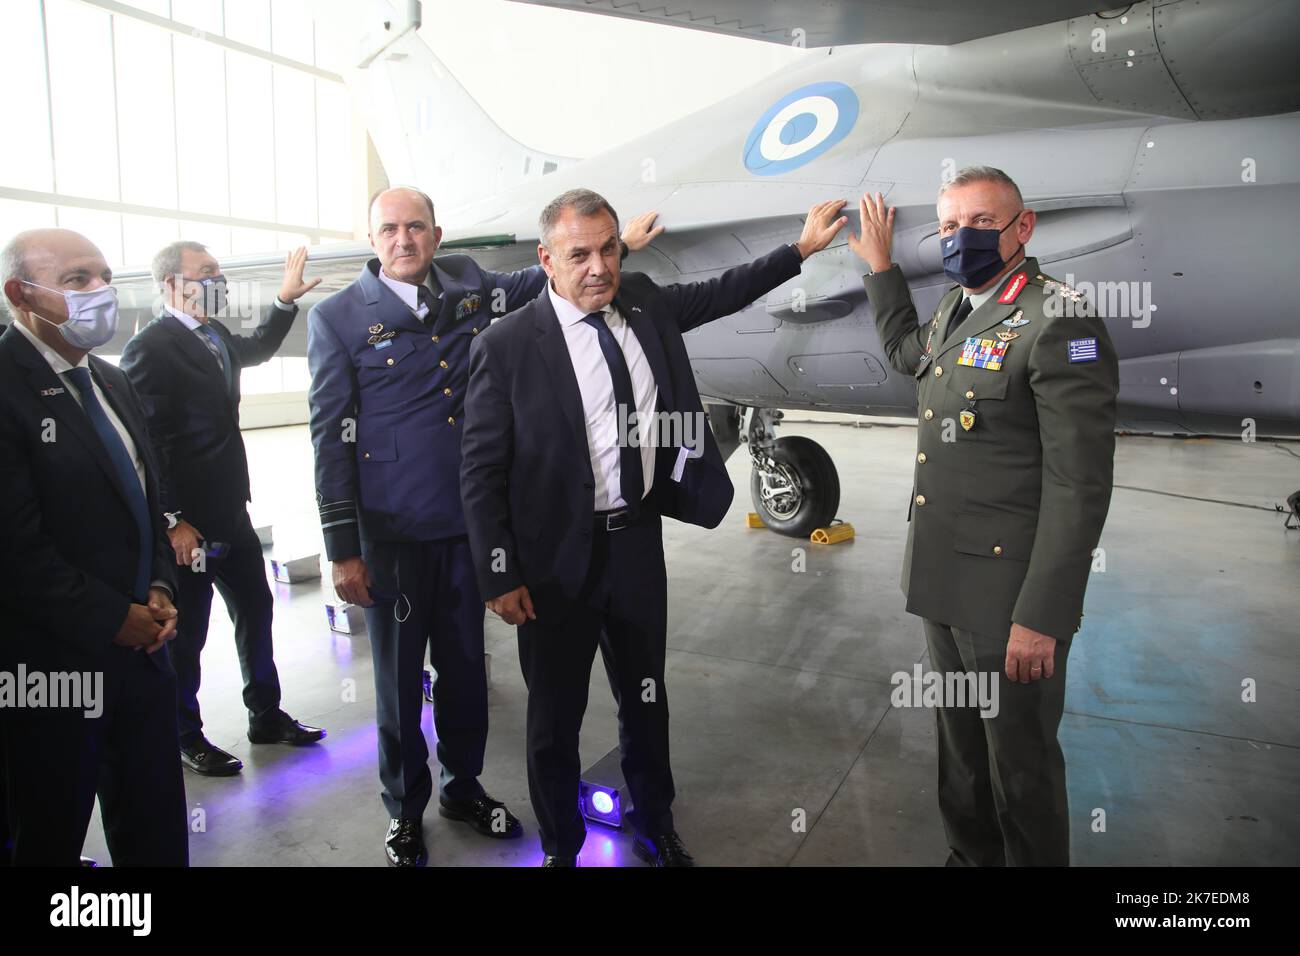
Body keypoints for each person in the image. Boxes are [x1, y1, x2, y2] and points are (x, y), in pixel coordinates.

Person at [461, 188, 847, 866]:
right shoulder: (507, 345)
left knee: (646, 699)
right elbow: (481, 470)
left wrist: (801, 249)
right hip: (553, 563)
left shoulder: (643, 303)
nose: (599, 267)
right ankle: (561, 847)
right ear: (547, 260)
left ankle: (655, 822)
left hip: (635, 543)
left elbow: (724, 291)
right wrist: (499, 571)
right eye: (579, 254)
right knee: (554, 720)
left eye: (609, 248)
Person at [308, 186, 660, 867]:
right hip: (395, 536)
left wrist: (607, 252)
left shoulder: (469, 285)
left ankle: (460, 786)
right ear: (371, 237)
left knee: (467, 672)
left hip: (468, 530)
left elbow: (541, 273)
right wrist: (342, 548)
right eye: (389, 228)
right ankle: (403, 809)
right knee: (400, 682)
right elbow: (329, 438)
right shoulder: (340, 318)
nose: (403, 239)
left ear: (437, 236)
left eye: (416, 227)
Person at [848, 166, 1119, 865]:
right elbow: (912, 355)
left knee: (1019, 775)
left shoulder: (1059, 319)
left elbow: (1078, 485)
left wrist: (1044, 615)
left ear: (1021, 228)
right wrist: (881, 269)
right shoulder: (956, 310)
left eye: (978, 223)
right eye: (947, 225)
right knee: (963, 763)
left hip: (1008, 603)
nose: (959, 238)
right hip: (944, 585)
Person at [0, 228, 188, 865]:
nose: (99, 292)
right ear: (21, 295)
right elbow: (16, 552)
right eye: (77, 280)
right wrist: (115, 619)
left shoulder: (110, 380)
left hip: (145, 652)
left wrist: (160, 587)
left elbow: (146, 501)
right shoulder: (5, 389)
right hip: (50, 670)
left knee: (155, 819)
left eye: (103, 275)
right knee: (51, 828)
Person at [119, 242, 326, 777]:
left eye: (218, 272)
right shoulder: (150, 349)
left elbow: (255, 349)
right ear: (171, 285)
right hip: (189, 524)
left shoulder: (212, 336)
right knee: (189, 634)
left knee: (256, 609)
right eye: (206, 273)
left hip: (230, 509)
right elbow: (148, 443)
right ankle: (184, 733)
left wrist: (283, 301)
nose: (219, 280)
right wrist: (171, 519)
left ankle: (265, 714)